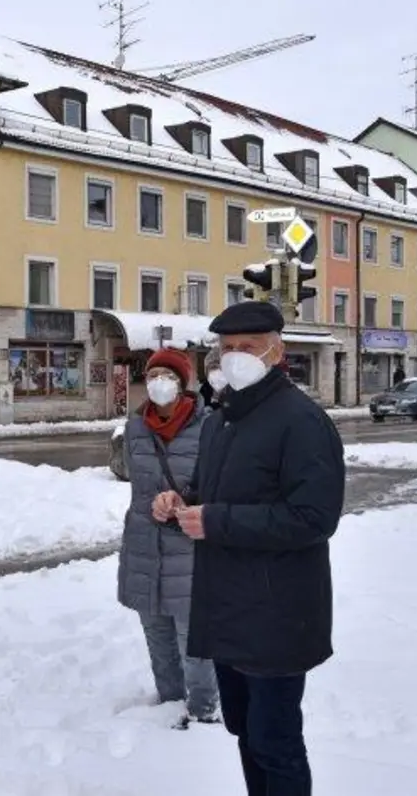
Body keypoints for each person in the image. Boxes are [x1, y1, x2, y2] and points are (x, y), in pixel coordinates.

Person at [158, 300, 345, 796]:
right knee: (244, 730)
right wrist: (182, 506)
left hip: (278, 612)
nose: (234, 356)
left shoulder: (301, 421)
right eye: (227, 348)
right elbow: (210, 497)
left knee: (275, 740)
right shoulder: (223, 418)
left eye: (248, 347)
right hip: (228, 606)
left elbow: (314, 517)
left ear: (276, 351)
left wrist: (215, 520)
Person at [117, 348, 218, 729]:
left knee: (193, 642)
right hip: (144, 546)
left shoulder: (209, 426)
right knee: (157, 636)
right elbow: (136, 486)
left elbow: (220, 487)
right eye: (153, 374)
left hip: (189, 547)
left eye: (168, 375)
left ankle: (204, 712)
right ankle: (168, 705)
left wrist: (185, 502)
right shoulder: (135, 427)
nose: (159, 382)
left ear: (183, 383)